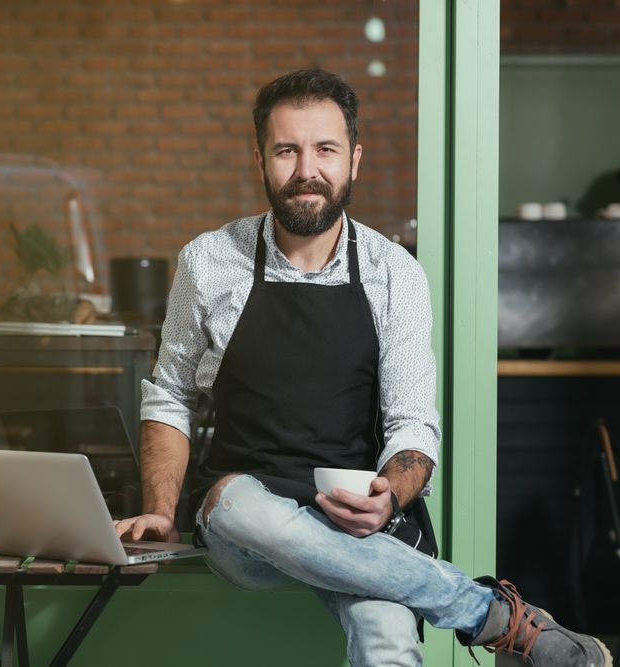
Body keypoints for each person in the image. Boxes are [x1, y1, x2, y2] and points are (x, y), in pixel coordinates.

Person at [114, 69, 612, 667]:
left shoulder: (394, 273)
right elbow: (170, 396)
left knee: (388, 639)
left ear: (354, 159)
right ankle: (494, 617)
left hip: (361, 524)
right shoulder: (209, 262)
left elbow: (413, 426)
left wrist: (389, 498)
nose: (307, 170)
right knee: (236, 501)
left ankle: (473, 612)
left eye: (325, 149)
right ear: (259, 159)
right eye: (287, 150)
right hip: (247, 530)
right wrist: (161, 512)